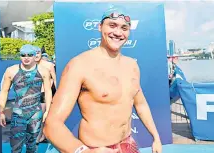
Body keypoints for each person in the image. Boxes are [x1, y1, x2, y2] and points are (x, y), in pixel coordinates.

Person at [44, 6, 162, 153]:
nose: (118, 32)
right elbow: (52, 125)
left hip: (128, 144)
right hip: (96, 148)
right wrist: (84, 151)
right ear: (100, 27)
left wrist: (156, 137)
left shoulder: (132, 65)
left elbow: (141, 104)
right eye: (112, 25)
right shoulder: (80, 65)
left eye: (124, 28)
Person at [0, 44, 52, 153]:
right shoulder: (11, 71)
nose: (26, 58)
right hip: (18, 114)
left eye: (29, 55)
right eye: (23, 55)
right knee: (15, 147)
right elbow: (4, 91)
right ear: (20, 56)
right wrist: (1, 112)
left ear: (35, 56)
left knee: (32, 147)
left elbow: (48, 91)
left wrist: (47, 111)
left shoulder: (43, 71)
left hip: (35, 114)